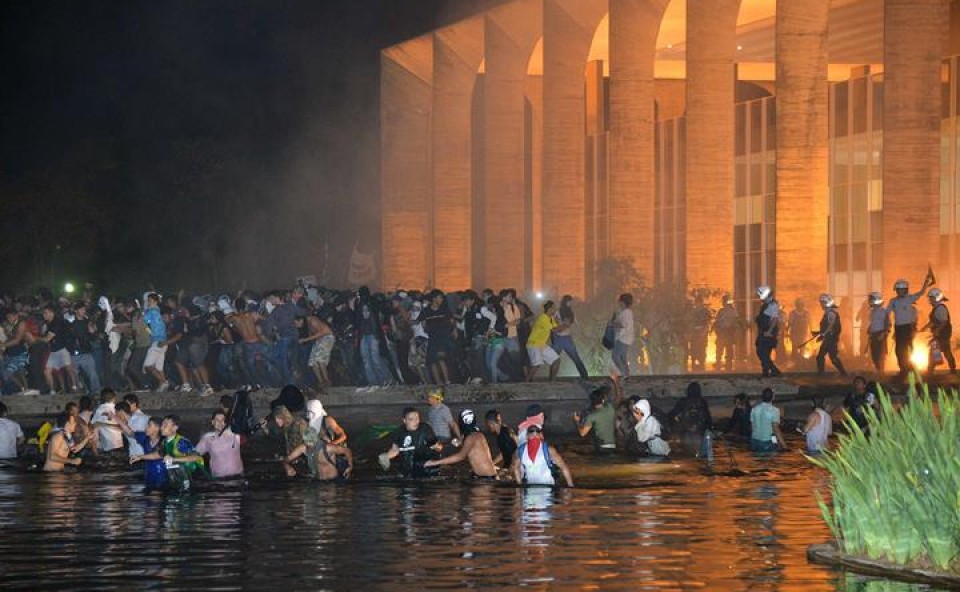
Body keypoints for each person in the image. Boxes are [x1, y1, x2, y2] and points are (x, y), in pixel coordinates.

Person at [424, 409, 498, 479]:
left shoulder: (471, 438)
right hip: (485, 476)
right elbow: (470, 447)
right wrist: (459, 443)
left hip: (487, 478)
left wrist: (434, 463)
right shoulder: (478, 435)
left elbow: (460, 456)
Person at [378, 407, 442, 478]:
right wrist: (386, 457)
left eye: (417, 418)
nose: (416, 421)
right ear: (404, 420)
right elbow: (395, 450)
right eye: (411, 419)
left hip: (425, 469)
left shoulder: (425, 429)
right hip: (407, 469)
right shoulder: (399, 432)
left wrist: (437, 447)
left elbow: (437, 446)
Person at [888, 276, 932, 380]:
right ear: (896, 290)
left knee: (906, 351)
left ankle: (906, 371)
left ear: (906, 290)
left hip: (907, 329)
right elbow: (887, 313)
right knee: (898, 351)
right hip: (898, 329)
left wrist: (926, 282)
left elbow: (921, 292)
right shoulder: (893, 301)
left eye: (903, 289)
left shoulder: (910, 298)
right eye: (899, 290)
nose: (901, 291)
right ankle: (907, 370)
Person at [512, 422, 574, 487]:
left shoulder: (549, 450)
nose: (534, 438)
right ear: (527, 436)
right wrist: (519, 486)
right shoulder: (520, 451)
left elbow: (564, 467)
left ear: (540, 436)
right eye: (532, 435)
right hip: (530, 489)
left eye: (536, 435)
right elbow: (516, 467)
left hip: (548, 488)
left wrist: (570, 486)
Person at [39, 304, 79, 394]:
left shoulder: (57, 322)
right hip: (54, 350)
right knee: (47, 371)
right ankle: (53, 391)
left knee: (69, 369)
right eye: (43, 313)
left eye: (45, 313)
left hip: (63, 349)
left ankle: (75, 388)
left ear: (52, 313)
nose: (43, 315)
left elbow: (47, 339)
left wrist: (34, 338)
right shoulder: (49, 323)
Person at [195, 411, 244, 479]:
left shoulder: (235, 435)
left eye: (223, 420)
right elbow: (195, 454)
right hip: (218, 479)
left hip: (238, 477)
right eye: (217, 420)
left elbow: (248, 435)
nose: (220, 423)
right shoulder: (207, 438)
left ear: (226, 422)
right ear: (212, 422)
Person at [669, 381, 713, 454]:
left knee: (688, 449)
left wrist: (677, 421)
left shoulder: (683, 401)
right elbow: (708, 417)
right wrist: (710, 428)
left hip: (686, 430)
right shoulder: (702, 402)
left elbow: (672, 414)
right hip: (699, 431)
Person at [552, 295, 589, 380]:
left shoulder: (569, 312)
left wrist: (559, 328)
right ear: (566, 302)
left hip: (563, 337)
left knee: (573, 358)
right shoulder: (561, 312)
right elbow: (559, 323)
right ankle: (585, 377)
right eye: (570, 302)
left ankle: (585, 377)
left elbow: (571, 324)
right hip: (561, 337)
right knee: (555, 359)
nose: (571, 303)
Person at [525, 301, 561, 382]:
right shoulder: (543, 318)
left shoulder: (550, 318)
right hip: (533, 344)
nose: (555, 310)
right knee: (537, 364)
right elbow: (555, 330)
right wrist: (565, 325)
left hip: (541, 345)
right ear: (550, 309)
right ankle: (526, 382)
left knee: (556, 360)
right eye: (554, 308)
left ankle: (552, 382)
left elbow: (556, 328)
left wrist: (559, 322)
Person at [142, 293, 170, 392]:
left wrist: (147, 330)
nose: (148, 302)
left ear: (156, 301)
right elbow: (148, 327)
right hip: (163, 342)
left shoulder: (151, 311)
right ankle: (163, 385)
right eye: (147, 301)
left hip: (157, 342)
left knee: (148, 366)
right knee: (159, 367)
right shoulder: (158, 311)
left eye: (150, 301)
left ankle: (163, 382)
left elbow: (142, 321)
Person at [924, 288, 956, 376]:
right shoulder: (937, 308)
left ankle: (930, 370)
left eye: (931, 298)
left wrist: (937, 331)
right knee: (938, 351)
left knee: (938, 351)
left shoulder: (940, 308)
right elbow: (934, 321)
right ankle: (951, 369)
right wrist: (924, 328)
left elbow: (944, 322)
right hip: (941, 334)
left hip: (943, 335)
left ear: (936, 298)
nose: (929, 300)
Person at [299, 313, 335, 387]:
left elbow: (322, 332)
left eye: (296, 323)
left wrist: (306, 339)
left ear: (300, 320)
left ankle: (326, 380)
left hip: (327, 337)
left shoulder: (312, 320)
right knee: (312, 362)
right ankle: (321, 382)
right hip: (319, 340)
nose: (295, 325)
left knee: (320, 359)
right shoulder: (307, 324)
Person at [814, 293, 847, 376]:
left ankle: (843, 373)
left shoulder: (831, 313)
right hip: (829, 339)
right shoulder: (828, 312)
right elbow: (827, 326)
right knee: (824, 357)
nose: (821, 304)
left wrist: (823, 335)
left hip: (831, 339)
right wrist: (819, 332)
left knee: (829, 357)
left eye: (822, 302)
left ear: (826, 302)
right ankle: (822, 374)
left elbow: (831, 325)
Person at [130, 417, 166, 488]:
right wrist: (115, 417)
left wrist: (140, 457)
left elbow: (159, 454)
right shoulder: (145, 438)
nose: (145, 427)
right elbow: (129, 432)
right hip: (148, 476)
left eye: (149, 425)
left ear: (157, 428)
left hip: (162, 477)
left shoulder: (165, 441)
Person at [754, 286, 781, 377]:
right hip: (764, 332)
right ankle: (766, 372)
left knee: (762, 352)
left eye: (760, 295)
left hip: (768, 333)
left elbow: (774, 319)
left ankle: (774, 371)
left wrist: (769, 331)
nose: (759, 297)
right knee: (763, 353)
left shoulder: (773, 305)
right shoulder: (766, 304)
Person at [749, 388, 785, 452]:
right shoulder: (775, 410)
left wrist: (775, 442)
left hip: (754, 440)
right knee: (771, 459)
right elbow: (775, 429)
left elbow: (752, 428)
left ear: (762, 397)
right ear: (773, 397)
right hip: (766, 442)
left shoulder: (754, 409)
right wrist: (784, 445)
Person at [91, 389, 124, 454]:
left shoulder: (99, 410)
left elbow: (93, 425)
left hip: (108, 444)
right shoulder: (118, 408)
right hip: (120, 442)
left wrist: (96, 445)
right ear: (114, 397)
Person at [865, 292, 890, 374]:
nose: (869, 301)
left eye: (871, 299)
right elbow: (873, 322)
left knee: (880, 354)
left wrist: (883, 333)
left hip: (880, 334)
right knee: (874, 354)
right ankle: (878, 370)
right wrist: (870, 328)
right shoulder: (872, 312)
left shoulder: (884, 311)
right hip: (873, 334)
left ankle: (881, 371)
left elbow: (888, 323)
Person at [612, 293, 635, 378]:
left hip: (623, 339)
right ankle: (627, 375)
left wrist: (614, 324)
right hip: (627, 339)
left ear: (623, 303)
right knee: (623, 358)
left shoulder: (626, 313)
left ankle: (624, 374)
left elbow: (624, 326)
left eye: (620, 302)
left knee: (615, 356)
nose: (619, 304)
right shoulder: (628, 312)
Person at [713, 295, 738, 372]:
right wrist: (717, 330)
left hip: (729, 332)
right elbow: (717, 322)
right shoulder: (721, 311)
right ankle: (718, 364)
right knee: (719, 350)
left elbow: (735, 322)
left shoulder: (733, 311)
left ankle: (729, 365)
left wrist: (733, 330)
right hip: (722, 332)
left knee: (729, 350)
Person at [787, 298, 810, 365]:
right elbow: (790, 323)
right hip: (795, 333)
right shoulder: (792, 313)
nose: (801, 306)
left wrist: (811, 332)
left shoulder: (807, 313)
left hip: (803, 333)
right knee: (794, 348)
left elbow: (809, 322)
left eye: (802, 304)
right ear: (796, 305)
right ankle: (795, 362)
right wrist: (787, 331)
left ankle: (801, 362)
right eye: (799, 304)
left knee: (803, 348)